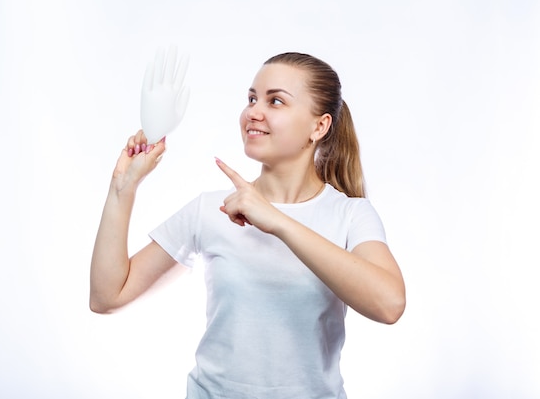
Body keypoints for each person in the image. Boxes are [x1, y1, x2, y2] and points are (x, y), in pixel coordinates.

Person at [90, 52, 406, 399]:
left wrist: (277, 221)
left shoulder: (351, 215)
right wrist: (123, 188)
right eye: (252, 98)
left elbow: (389, 305)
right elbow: (107, 297)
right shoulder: (212, 210)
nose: (254, 111)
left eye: (276, 101)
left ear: (320, 126)